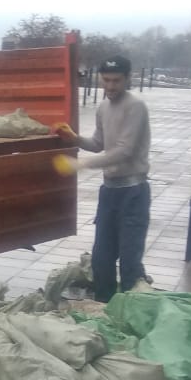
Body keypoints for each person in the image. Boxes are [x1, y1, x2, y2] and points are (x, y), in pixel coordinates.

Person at [52, 56, 151, 302]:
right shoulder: (103, 107)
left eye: (116, 81)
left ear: (128, 78)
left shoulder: (135, 106)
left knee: (129, 260)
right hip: (109, 192)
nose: (110, 86)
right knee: (101, 259)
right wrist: (74, 139)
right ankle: (104, 309)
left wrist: (82, 164)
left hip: (133, 192)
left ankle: (133, 309)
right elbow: (98, 144)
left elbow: (124, 150)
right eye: (105, 80)